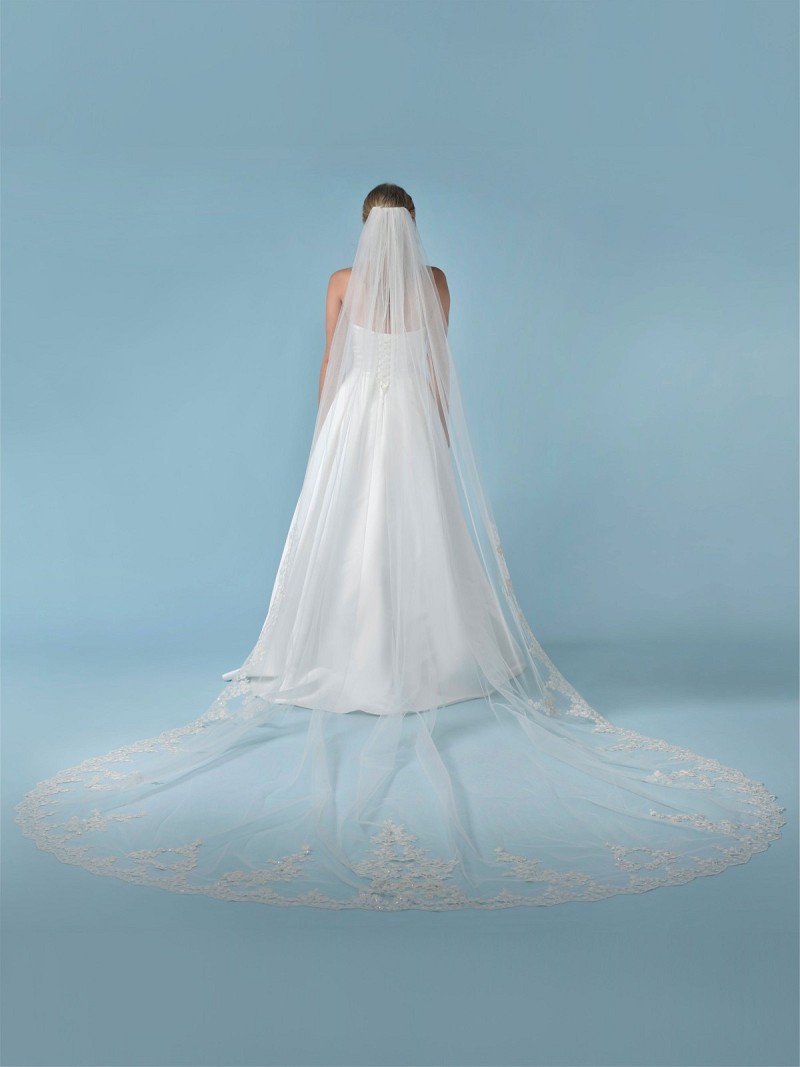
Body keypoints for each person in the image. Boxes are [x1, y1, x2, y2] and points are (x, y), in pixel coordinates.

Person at [14, 184, 785, 910]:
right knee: (418, 526)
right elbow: (439, 367)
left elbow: (332, 360)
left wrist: (327, 433)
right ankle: (432, 654)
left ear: (367, 227)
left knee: (353, 526)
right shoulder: (437, 282)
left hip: (358, 414)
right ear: (411, 228)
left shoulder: (342, 280)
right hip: (411, 412)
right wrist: (439, 432)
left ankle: (349, 647)